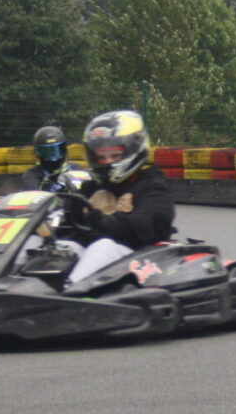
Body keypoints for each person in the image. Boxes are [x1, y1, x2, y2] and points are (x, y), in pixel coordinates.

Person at [65, 109, 175, 284]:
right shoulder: (91, 187)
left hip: (141, 258)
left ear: (134, 149)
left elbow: (144, 225)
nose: (107, 162)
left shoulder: (153, 187)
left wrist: (101, 220)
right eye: (101, 157)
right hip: (96, 257)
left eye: (114, 155)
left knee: (104, 246)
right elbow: (70, 220)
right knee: (63, 248)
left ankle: (69, 293)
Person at [19, 125, 86, 193]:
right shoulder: (32, 175)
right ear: (38, 152)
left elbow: (86, 194)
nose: (53, 159)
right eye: (47, 152)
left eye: (57, 151)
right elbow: (31, 195)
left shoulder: (76, 169)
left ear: (64, 149)